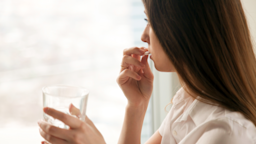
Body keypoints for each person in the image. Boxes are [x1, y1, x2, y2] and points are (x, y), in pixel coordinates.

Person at [38, 0, 256, 143]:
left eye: (151, 21)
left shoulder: (226, 133)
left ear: (185, 29)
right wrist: (137, 105)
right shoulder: (190, 103)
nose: (144, 36)